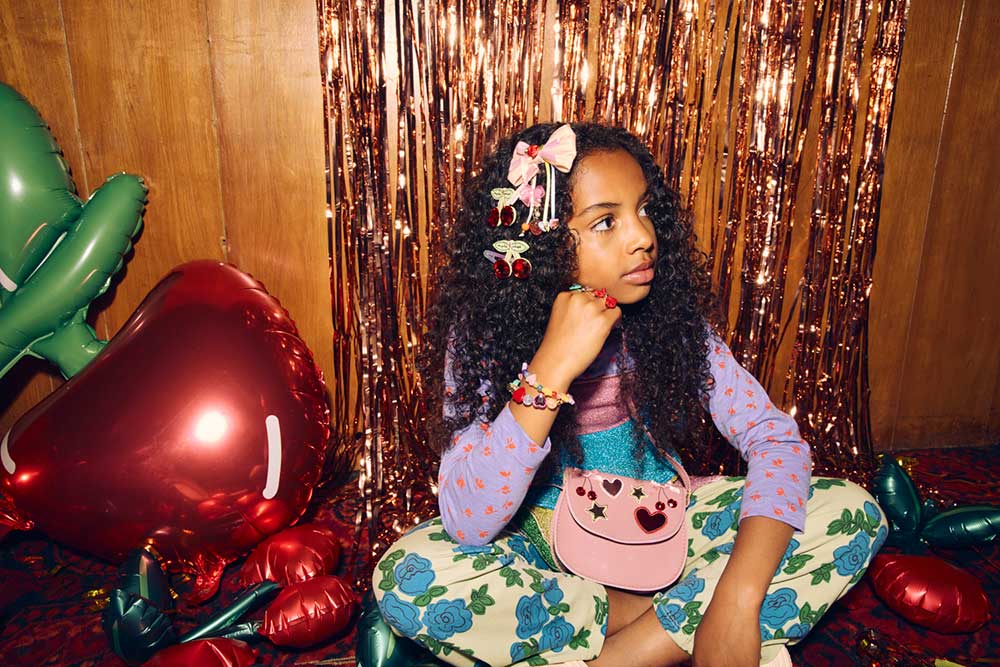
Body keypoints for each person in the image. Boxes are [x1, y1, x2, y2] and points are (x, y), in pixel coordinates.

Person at [372, 123, 887, 667]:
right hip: (540, 553)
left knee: (853, 512)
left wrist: (738, 597)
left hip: (663, 536)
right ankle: (675, 626)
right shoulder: (482, 337)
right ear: (542, 245)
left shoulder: (671, 322)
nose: (642, 236)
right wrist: (550, 368)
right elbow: (468, 519)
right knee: (407, 578)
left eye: (644, 210)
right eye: (606, 222)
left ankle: (631, 653)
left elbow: (775, 441)